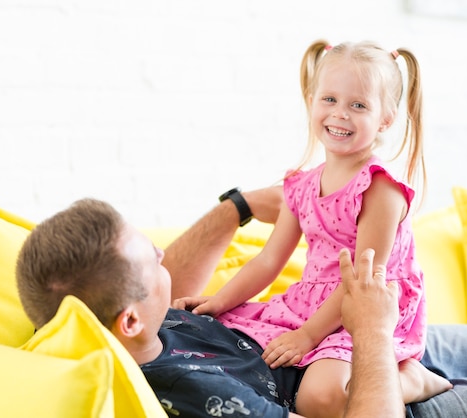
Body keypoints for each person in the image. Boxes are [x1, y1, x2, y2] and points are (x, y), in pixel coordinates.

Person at [15, 187, 467, 418]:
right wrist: (374, 334)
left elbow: (163, 284)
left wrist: (236, 208)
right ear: (128, 319)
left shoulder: (138, 333)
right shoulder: (192, 392)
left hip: (333, 344)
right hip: (380, 394)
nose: (161, 252)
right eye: (150, 258)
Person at [173, 39, 447, 418]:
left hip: (365, 310)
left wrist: (307, 336)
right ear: (312, 100)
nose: (340, 114)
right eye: (329, 99)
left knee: (320, 398)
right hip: (311, 304)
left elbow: (364, 284)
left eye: (359, 105)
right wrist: (218, 301)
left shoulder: (381, 189)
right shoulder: (301, 185)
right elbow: (268, 260)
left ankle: (413, 378)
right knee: (234, 343)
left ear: (385, 118)